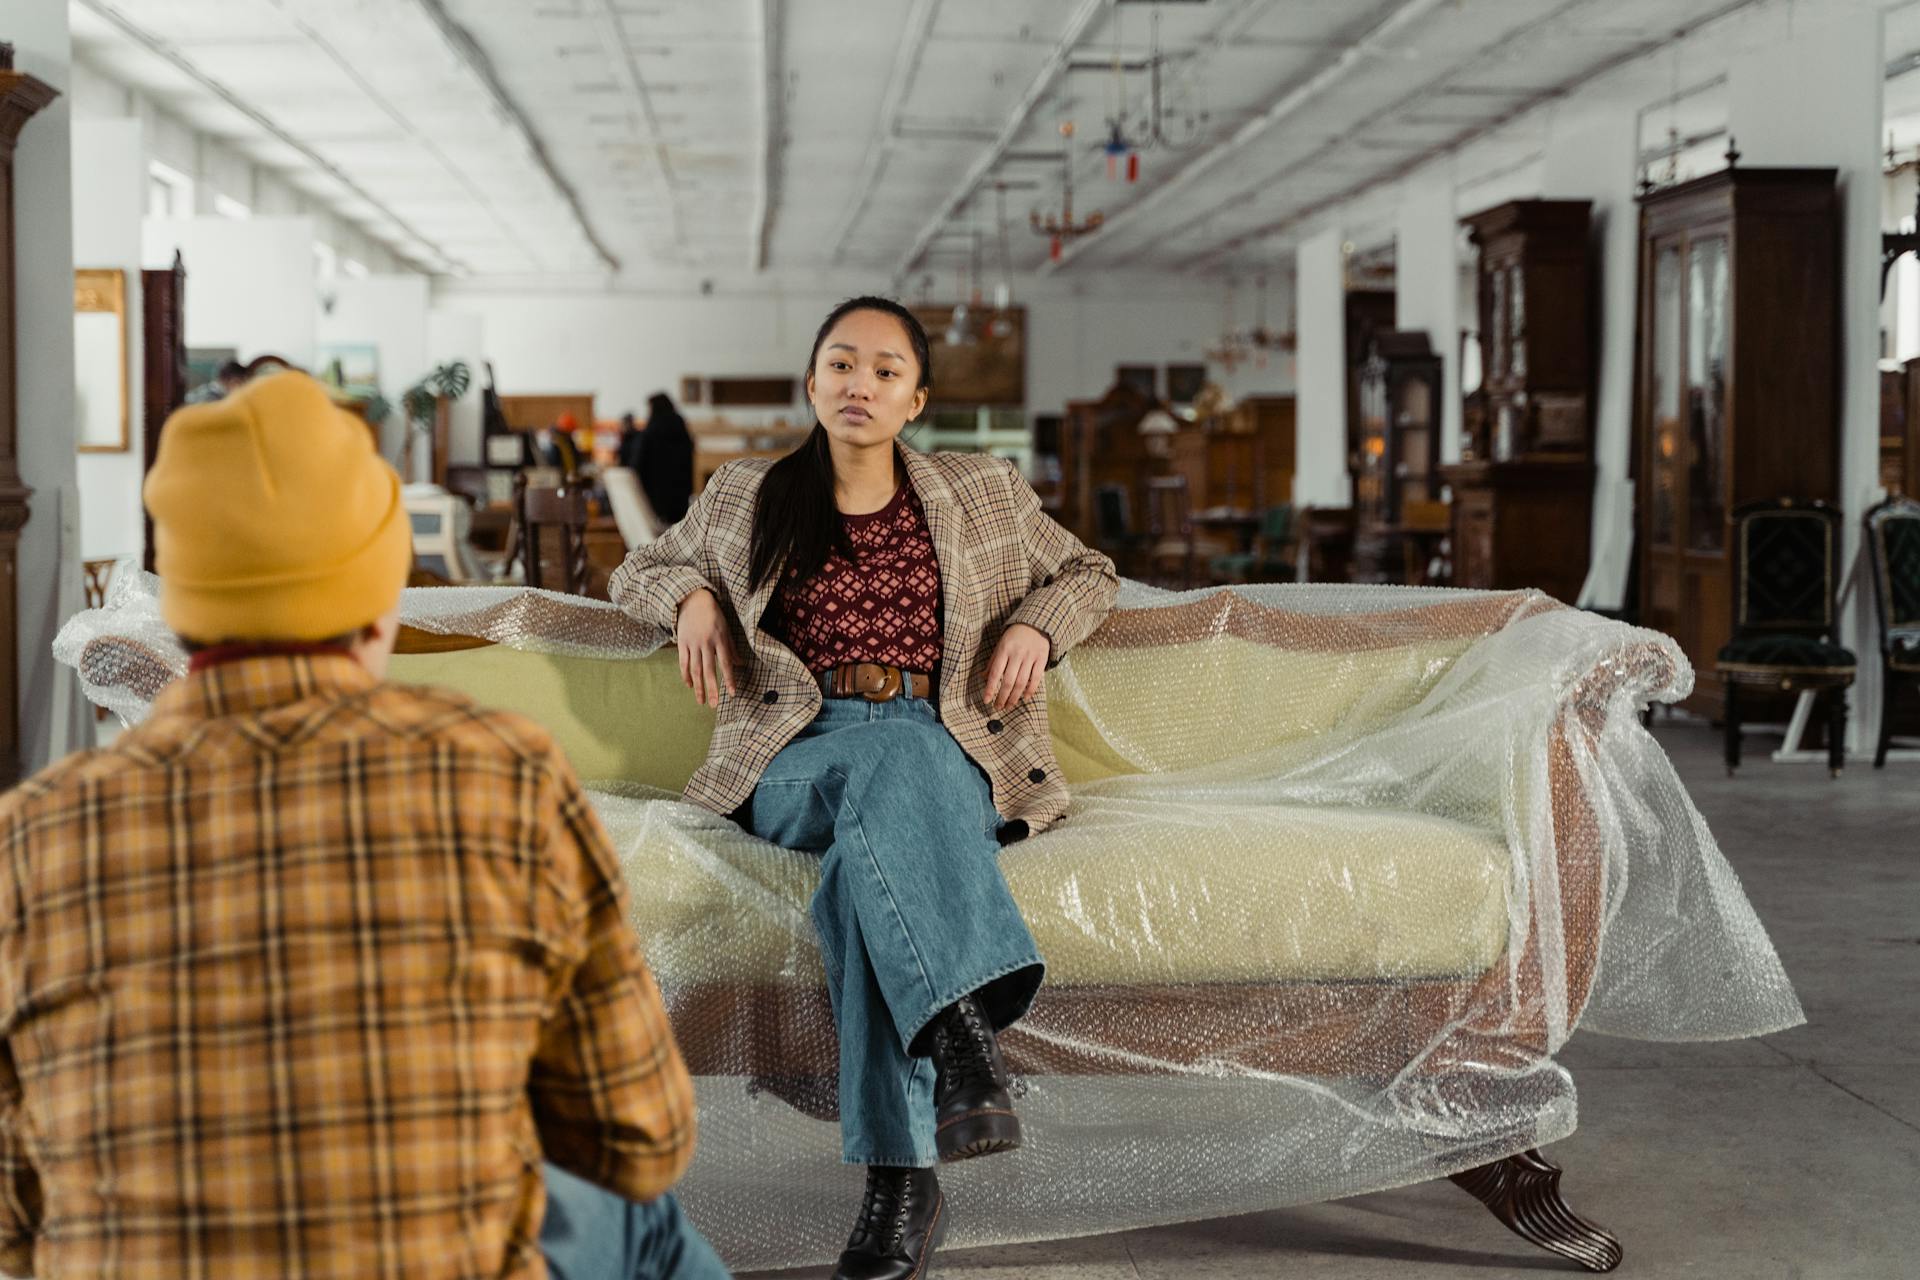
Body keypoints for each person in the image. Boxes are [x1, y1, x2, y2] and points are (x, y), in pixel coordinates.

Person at [0, 370, 728, 1280]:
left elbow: (14, 1206)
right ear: (383, 594)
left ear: (183, 599)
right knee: (645, 1222)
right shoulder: (501, 778)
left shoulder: (30, 836)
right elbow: (639, 1138)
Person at [608, 297, 1117, 1280]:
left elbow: (1091, 571)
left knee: (859, 877)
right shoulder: (746, 492)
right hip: (798, 746)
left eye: (886, 370)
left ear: (914, 398)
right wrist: (694, 596)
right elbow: (640, 567)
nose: (860, 383)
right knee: (887, 764)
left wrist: (1036, 626)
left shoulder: (983, 490)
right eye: (842, 363)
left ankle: (901, 1184)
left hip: (947, 738)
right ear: (812, 382)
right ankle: (967, 1021)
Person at [636, 392, 694, 525]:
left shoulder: (652, 428)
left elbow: (640, 461)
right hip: (680, 489)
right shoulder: (679, 423)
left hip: (656, 491)